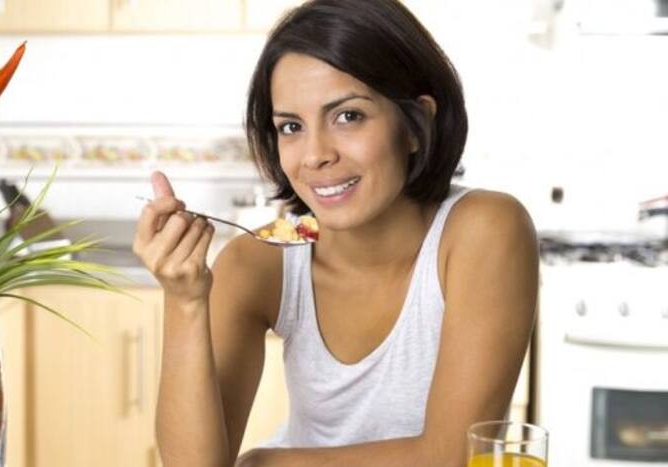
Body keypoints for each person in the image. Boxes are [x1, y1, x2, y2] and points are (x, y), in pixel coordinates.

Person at [133, 0, 539, 465]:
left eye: (348, 116)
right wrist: (184, 300)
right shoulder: (259, 260)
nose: (315, 155)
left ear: (416, 124)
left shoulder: (485, 229)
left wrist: (262, 463)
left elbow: (452, 456)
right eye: (291, 126)